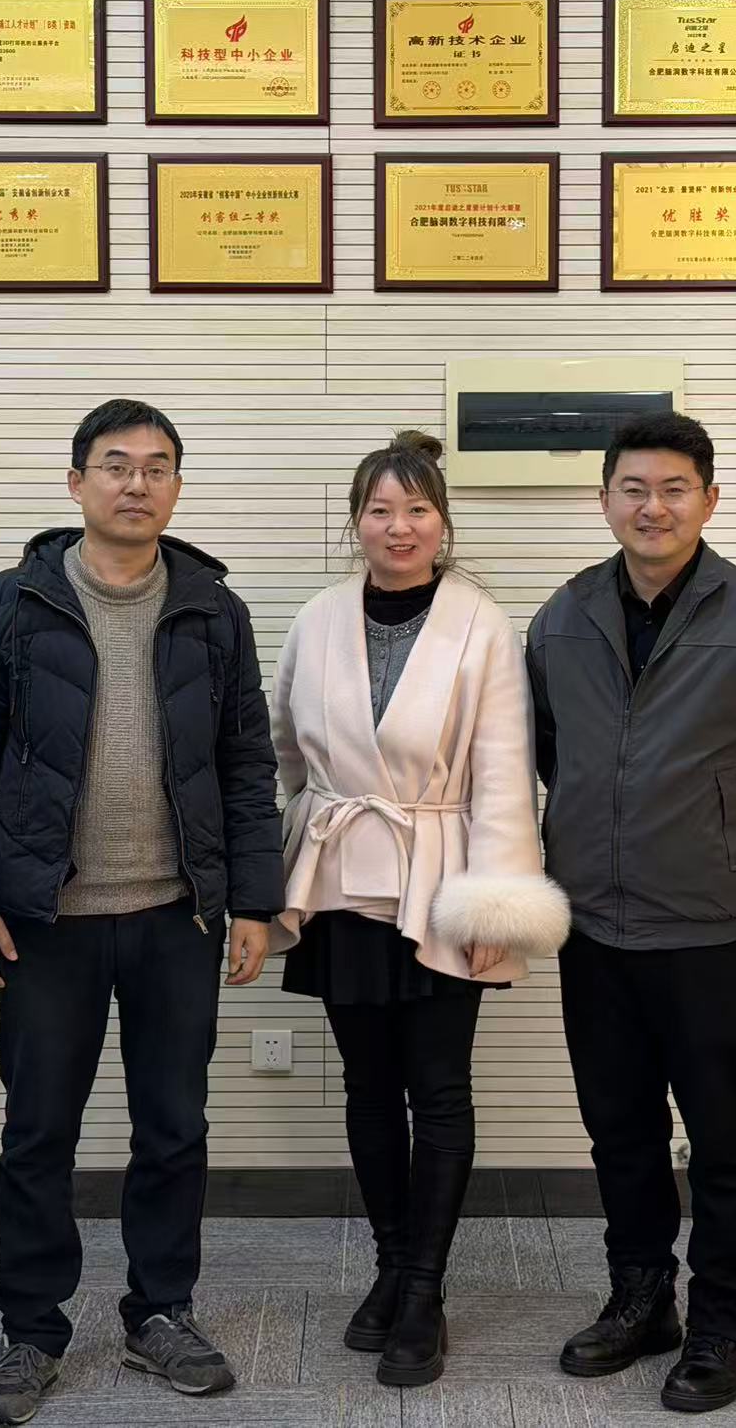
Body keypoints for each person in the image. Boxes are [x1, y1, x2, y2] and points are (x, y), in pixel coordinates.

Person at [0, 398, 283, 1424]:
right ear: (76, 480)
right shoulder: (7, 604)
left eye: (157, 466)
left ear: (176, 486)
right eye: (116, 464)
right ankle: (30, 1330)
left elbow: (245, 761)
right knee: (38, 1128)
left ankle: (160, 1310)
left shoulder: (213, 609)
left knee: (173, 1125)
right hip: (47, 918)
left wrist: (253, 900)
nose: (137, 483)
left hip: (178, 914)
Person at [528, 411, 736, 1415]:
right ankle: (641, 1301)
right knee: (617, 1129)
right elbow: (549, 751)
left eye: (674, 489)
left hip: (712, 929)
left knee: (721, 1134)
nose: (652, 507)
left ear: (709, 500)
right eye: (633, 488)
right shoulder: (564, 616)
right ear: (603, 501)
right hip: (593, 924)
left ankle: (723, 1324)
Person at [271, 431, 570, 1388]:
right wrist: (292, 848)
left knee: (437, 1087)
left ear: (442, 522)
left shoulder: (481, 623)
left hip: (442, 878)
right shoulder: (316, 618)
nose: (398, 527)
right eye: (380, 510)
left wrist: (496, 903)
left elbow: (504, 773)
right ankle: (391, 1266)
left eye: (417, 510)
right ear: (355, 521)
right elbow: (285, 750)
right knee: (367, 1085)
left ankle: (427, 1288)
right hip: (339, 880)